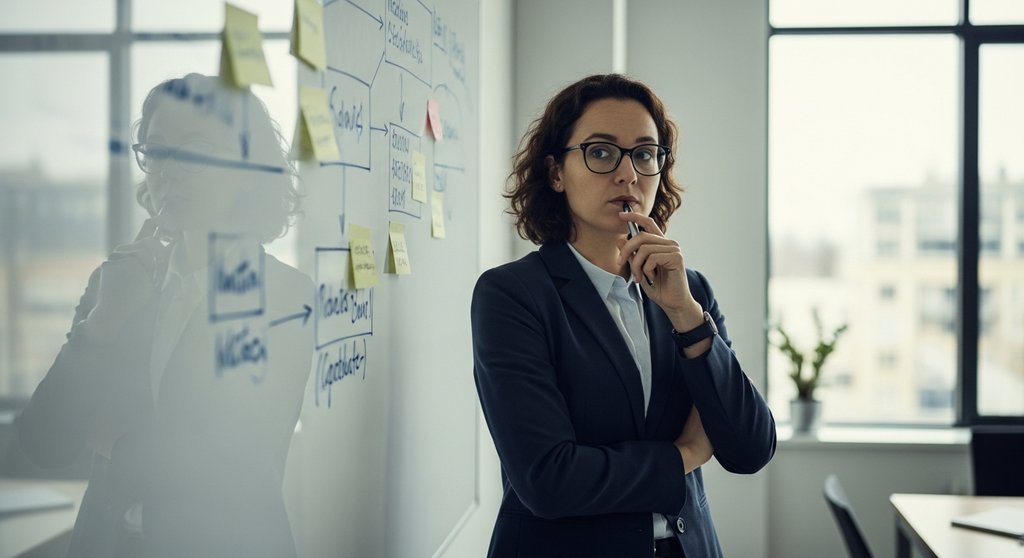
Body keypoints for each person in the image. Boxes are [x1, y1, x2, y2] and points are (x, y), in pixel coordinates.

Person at [471, 74, 776, 558]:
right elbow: (549, 480)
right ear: (555, 173)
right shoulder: (513, 295)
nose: (628, 174)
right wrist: (684, 456)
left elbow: (750, 448)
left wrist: (685, 316)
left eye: (645, 153)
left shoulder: (689, 291)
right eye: (601, 152)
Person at [16, 73, 313, 558]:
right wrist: (104, 323)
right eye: (156, 150)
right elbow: (44, 441)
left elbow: (232, 462)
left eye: (195, 147)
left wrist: (115, 445)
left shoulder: (284, 295)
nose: (169, 170)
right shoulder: (115, 283)